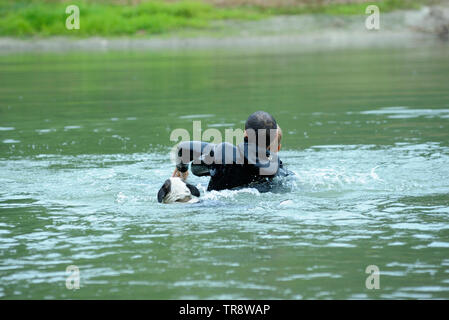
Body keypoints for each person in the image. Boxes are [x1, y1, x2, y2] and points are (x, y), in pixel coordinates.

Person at [172, 111, 290, 192]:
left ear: (245, 133)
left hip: (213, 206)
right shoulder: (279, 171)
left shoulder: (225, 153)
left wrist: (182, 171)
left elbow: (183, 149)